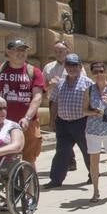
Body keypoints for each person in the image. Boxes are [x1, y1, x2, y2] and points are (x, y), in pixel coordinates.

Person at [0, 38, 44, 165]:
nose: (21, 53)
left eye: (24, 50)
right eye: (17, 50)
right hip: (1, 123)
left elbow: (37, 97)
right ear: (8, 52)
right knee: (3, 157)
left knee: (29, 159)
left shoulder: (34, 71)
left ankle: (30, 184)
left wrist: (27, 117)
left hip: (28, 123)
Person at [44, 53, 92, 189]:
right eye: (69, 65)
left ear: (80, 66)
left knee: (88, 151)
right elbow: (54, 102)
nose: (72, 68)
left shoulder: (88, 83)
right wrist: (52, 119)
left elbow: (94, 104)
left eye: (74, 65)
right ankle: (56, 180)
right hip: (63, 124)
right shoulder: (60, 83)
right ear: (65, 66)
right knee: (62, 152)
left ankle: (93, 176)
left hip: (82, 123)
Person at [84, 61, 107, 203]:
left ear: (106, 72)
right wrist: (94, 112)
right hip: (93, 129)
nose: (99, 74)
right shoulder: (89, 90)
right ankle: (95, 191)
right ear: (92, 74)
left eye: (101, 71)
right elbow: (84, 110)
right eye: (95, 72)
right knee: (94, 161)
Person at [42, 39, 75, 171]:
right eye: (56, 51)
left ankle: (70, 158)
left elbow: (81, 83)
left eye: (61, 51)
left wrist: (61, 83)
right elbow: (42, 86)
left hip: (70, 102)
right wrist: (50, 85)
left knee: (72, 131)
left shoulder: (74, 65)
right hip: (54, 102)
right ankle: (69, 158)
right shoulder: (48, 67)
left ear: (67, 51)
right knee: (58, 131)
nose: (58, 53)